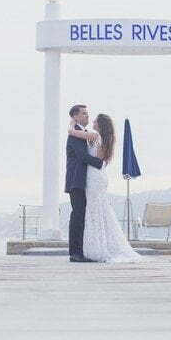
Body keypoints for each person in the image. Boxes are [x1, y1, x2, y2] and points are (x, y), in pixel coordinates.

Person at [68, 113, 142, 263]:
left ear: (99, 125)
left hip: (93, 176)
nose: (92, 121)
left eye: (95, 120)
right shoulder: (105, 139)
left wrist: (71, 124)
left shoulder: (95, 136)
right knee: (98, 210)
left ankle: (97, 247)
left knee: (94, 211)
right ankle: (99, 246)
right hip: (99, 175)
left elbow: (72, 133)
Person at [65, 104, 104, 262]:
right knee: (78, 215)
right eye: (84, 113)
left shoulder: (80, 132)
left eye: (88, 113)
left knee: (81, 216)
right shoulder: (75, 134)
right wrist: (101, 163)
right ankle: (75, 253)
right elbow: (82, 156)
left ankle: (79, 251)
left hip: (84, 181)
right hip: (77, 181)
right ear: (75, 117)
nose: (87, 116)